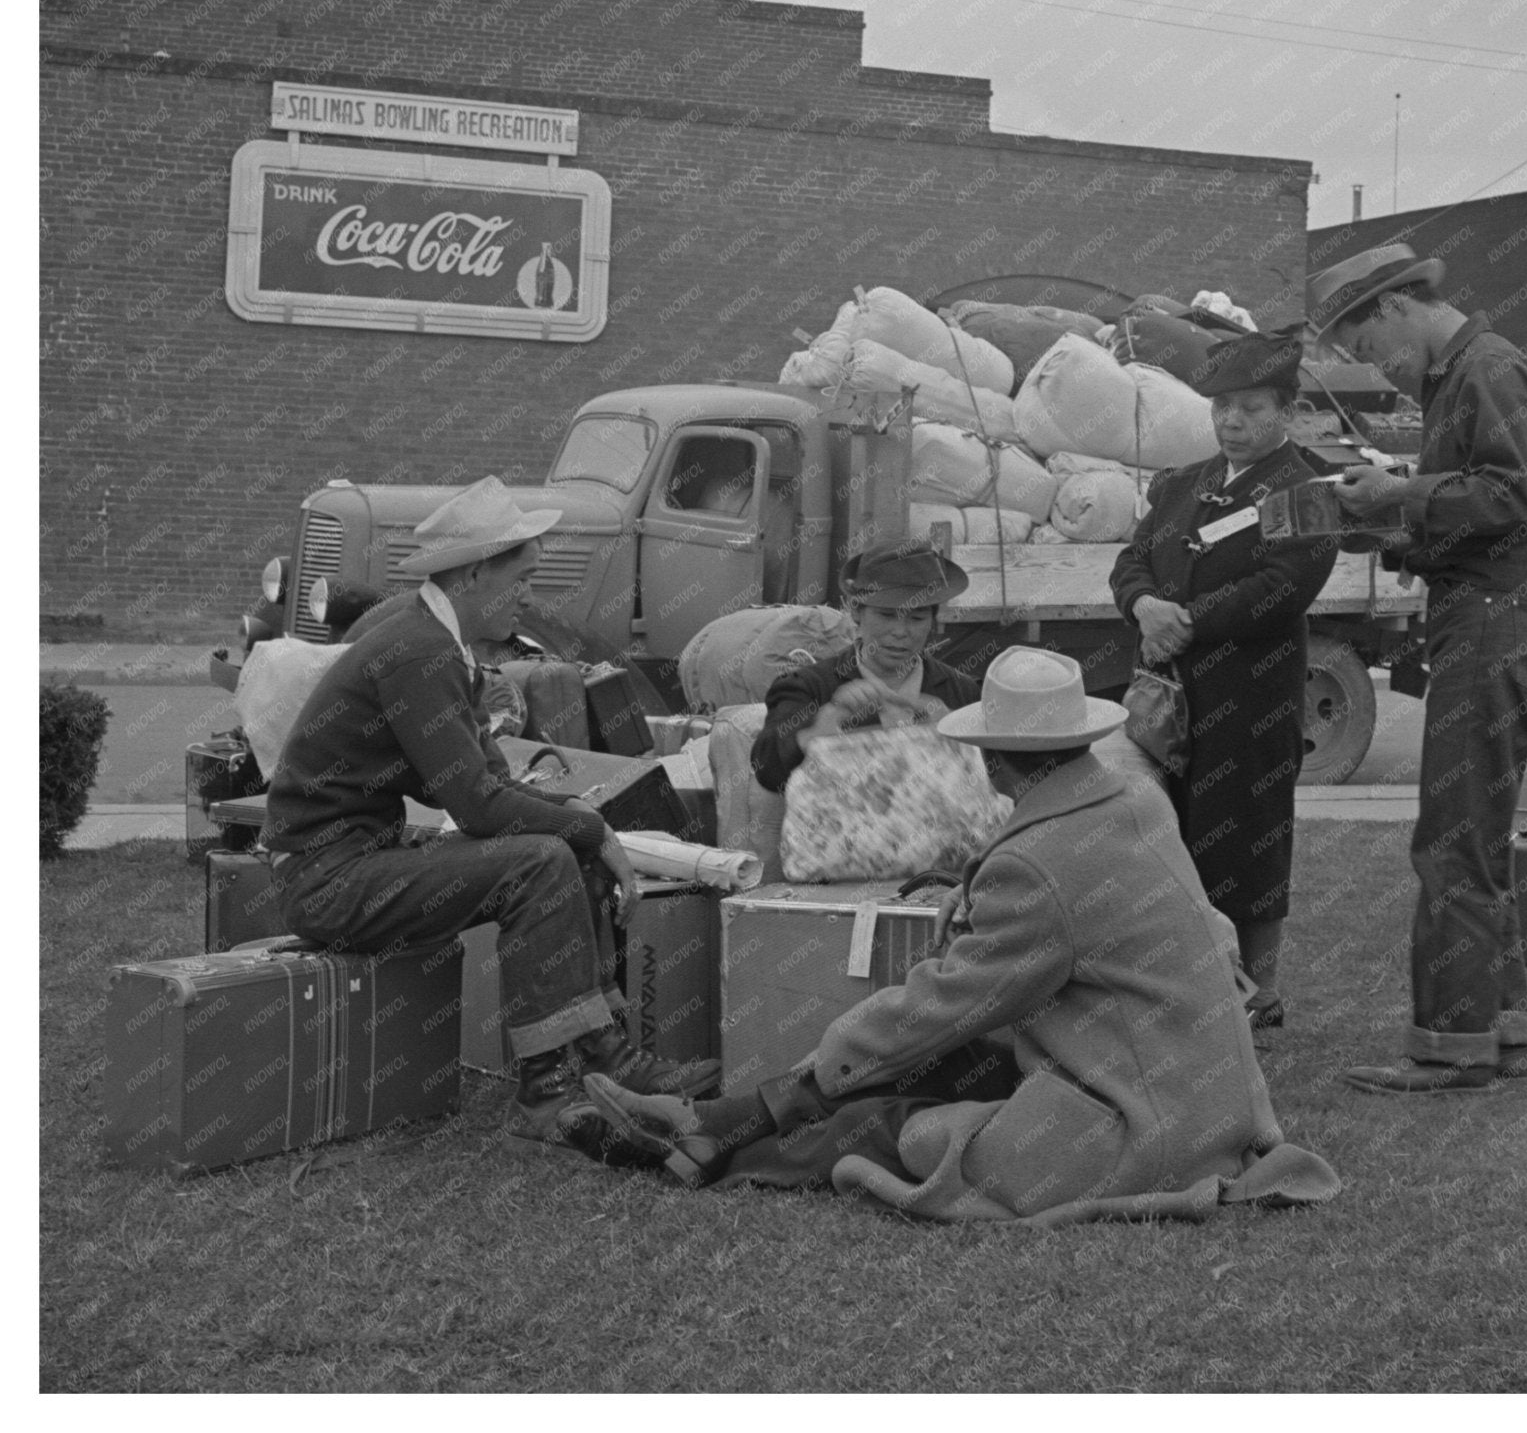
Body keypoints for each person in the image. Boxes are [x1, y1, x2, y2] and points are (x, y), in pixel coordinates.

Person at [581, 647, 1340, 1224]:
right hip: (1196, 1097)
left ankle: (706, 1143)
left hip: (1144, 1129)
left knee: (888, 1123)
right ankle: (711, 1127)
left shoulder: (1038, 867)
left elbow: (941, 1004)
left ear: (994, 755)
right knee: (943, 1069)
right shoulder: (1133, 801)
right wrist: (980, 893)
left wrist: (813, 1073)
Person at [261, 476, 711, 1161]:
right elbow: (475, 806)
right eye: (521, 577)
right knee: (541, 858)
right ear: (475, 574)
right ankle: (548, 1090)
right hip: (325, 877)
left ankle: (605, 1060)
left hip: (347, 858)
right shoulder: (421, 650)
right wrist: (589, 828)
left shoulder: (437, 640)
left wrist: (578, 825)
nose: (530, 596)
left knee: (556, 844)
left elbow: (484, 784)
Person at [1317, 243, 1527, 1093]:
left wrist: (1398, 497)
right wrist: (1390, 531)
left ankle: (1451, 1048)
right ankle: (1500, 1033)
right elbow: (1487, 516)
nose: (1378, 374)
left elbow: (1509, 499)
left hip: (1495, 623)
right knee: (1476, 839)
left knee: (1452, 842)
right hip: (1494, 615)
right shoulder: (1466, 374)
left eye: (1366, 351)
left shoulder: (1486, 372)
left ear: (1393, 309)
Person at [1107, 329, 1339, 1028]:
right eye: (1222, 409)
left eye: (1251, 407)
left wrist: (1187, 621)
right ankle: (1187, 987)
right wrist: (1143, 605)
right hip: (1171, 699)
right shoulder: (1185, 484)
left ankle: (1257, 997)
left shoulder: (1307, 492)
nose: (1232, 422)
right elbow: (1133, 559)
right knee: (1165, 837)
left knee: (1248, 839)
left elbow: (1284, 586)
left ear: (1288, 412)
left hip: (1251, 699)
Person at [749, 540, 981, 793]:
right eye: (886, 615)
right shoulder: (808, 687)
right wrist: (821, 728)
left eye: (916, 618)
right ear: (857, 612)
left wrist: (957, 734)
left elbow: (997, 780)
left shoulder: (962, 692)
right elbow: (767, 771)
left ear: (933, 621)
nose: (901, 632)